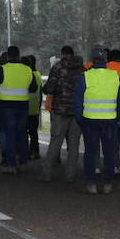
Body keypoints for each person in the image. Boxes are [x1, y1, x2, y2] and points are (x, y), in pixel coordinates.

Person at [74, 45, 120, 194]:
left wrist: (80, 119)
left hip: (89, 120)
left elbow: (77, 101)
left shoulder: (85, 76)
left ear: (92, 60)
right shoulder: (115, 76)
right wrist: (118, 117)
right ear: (106, 60)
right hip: (110, 120)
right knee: (109, 152)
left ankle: (91, 183)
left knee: (91, 152)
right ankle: (108, 183)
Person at [0, 45, 35, 174]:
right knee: (22, 135)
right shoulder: (27, 69)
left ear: (7, 56)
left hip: (6, 107)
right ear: (18, 55)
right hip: (23, 106)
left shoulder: (3, 69)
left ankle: (11, 165)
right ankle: (23, 163)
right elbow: (33, 88)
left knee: (10, 135)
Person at [41, 48, 83, 183]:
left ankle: (47, 174)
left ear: (63, 55)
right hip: (77, 112)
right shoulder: (82, 69)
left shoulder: (58, 68)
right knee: (74, 144)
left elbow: (49, 88)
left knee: (55, 143)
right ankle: (71, 175)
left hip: (60, 110)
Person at [25, 55, 43, 161]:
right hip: (35, 107)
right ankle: (35, 152)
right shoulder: (38, 75)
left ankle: (26, 152)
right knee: (33, 133)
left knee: (24, 132)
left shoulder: (27, 75)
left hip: (26, 107)